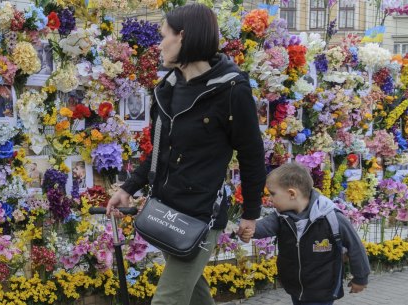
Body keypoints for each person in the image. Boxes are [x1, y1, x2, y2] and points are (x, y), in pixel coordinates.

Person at [106, 4, 266, 305]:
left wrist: (251, 213)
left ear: (184, 36)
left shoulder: (232, 90)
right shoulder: (166, 88)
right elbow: (160, 152)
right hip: (166, 210)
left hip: (201, 215)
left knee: (168, 300)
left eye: (164, 35)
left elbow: (251, 155)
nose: (160, 43)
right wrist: (128, 187)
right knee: (193, 295)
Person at [240, 163, 370, 305]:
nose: (269, 199)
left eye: (272, 193)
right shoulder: (281, 217)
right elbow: (263, 227)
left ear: (291, 194)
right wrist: (246, 230)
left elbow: (355, 247)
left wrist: (360, 278)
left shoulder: (332, 217)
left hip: (322, 290)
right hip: (295, 288)